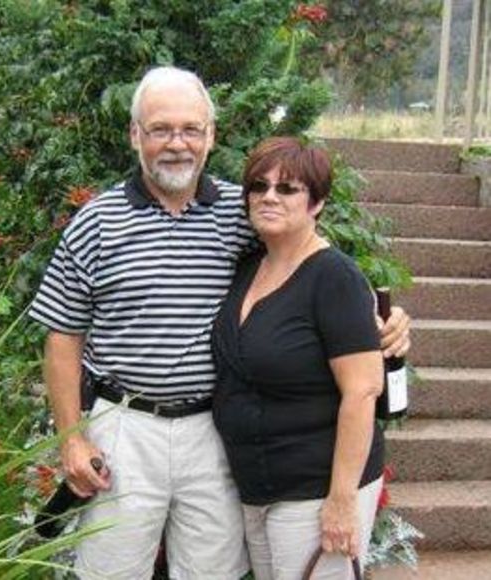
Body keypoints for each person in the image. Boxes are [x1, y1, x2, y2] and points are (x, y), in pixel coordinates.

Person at [28, 67, 410, 580]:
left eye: (191, 129)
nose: (177, 143)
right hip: (124, 427)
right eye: (161, 129)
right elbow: (62, 336)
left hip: (214, 433)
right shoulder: (96, 222)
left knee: (213, 573)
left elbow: (310, 265)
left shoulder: (242, 211)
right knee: (110, 571)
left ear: (211, 136)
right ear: (135, 135)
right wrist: (72, 439)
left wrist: (384, 321)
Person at [212, 137, 386, 580]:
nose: (269, 196)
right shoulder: (249, 268)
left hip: (316, 489)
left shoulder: (335, 277)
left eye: (287, 188)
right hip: (258, 486)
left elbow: (363, 390)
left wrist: (342, 500)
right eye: (259, 186)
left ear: (317, 202)